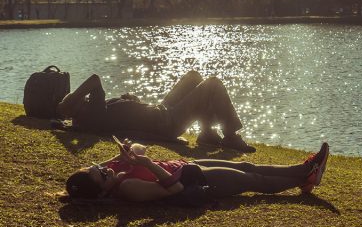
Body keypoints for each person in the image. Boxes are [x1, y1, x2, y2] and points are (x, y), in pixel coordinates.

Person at [65, 138, 330, 202]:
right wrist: (146, 165)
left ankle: (304, 170)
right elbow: (174, 189)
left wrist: (123, 153)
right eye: (100, 173)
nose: (104, 169)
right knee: (253, 180)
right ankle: (306, 175)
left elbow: (140, 147)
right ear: (100, 191)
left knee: (246, 166)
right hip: (195, 183)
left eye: (97, 166)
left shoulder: (115, 169)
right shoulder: (126, 187)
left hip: (189, 168)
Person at [57, 70, 255, 152]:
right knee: (212, 84)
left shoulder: (95, 113)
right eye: (81, 99)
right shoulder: (93, 115)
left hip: (161, 112)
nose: (85, 97)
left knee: (193, 76)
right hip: (167, 122)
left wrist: (129, 102)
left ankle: (207, 133)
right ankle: (230, 135)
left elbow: (127, 116)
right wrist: (72, 97)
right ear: (79, 107)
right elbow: (94, 79)